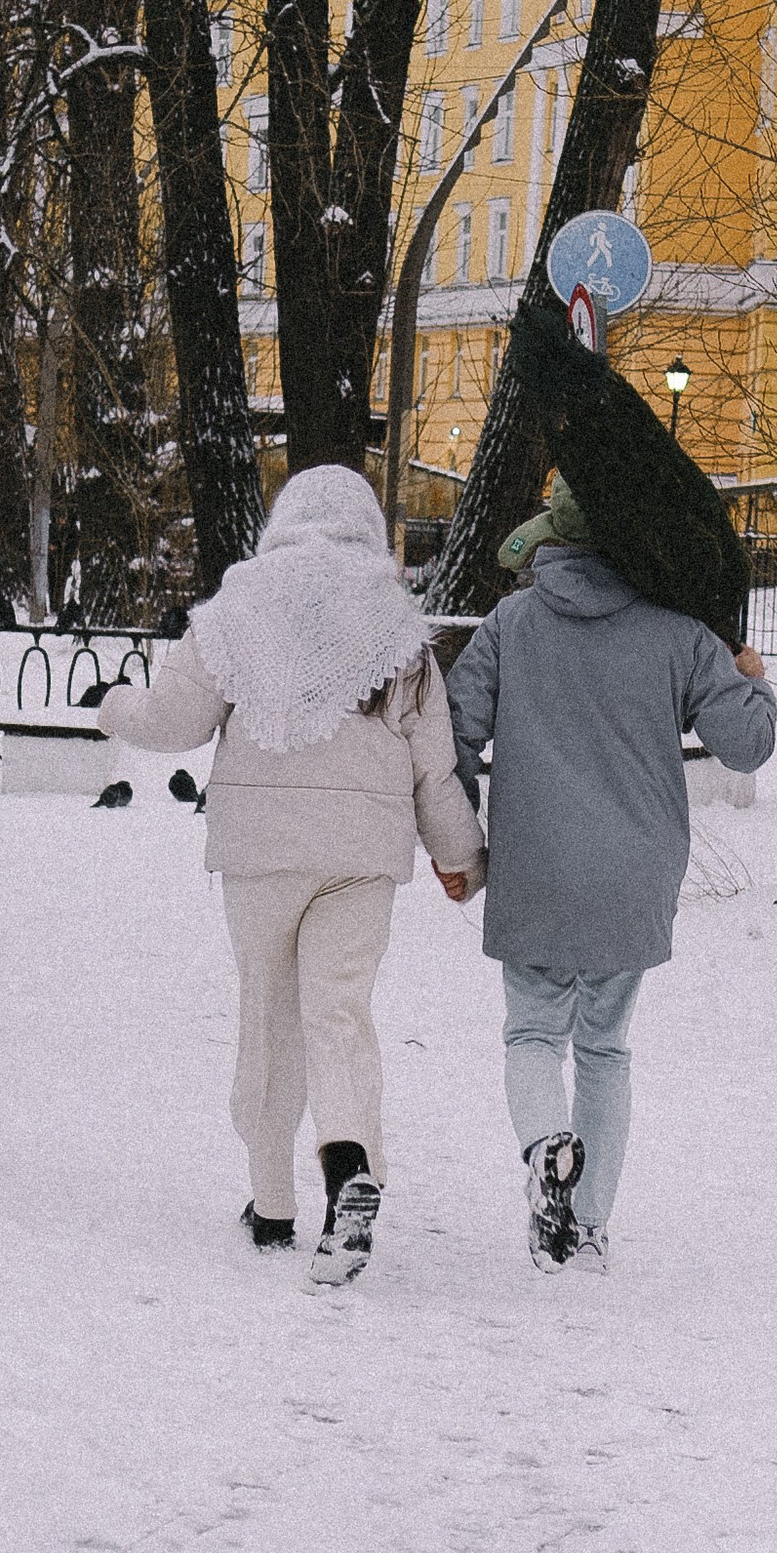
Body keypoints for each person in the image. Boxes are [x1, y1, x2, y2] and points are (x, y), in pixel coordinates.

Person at [104, 466, 482, 1285]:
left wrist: (114, 704)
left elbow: (171, 722)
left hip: (260, 853)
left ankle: (272, 1203)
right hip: (361, 857)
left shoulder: (235, 609)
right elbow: (434, 769)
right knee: (338, 1014)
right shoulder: (397, 626)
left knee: (269, 1014)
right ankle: (349, 1170)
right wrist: (461, 857)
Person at [445, 476, 776, 1271]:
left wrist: (459, 840)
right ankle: (588, 1228)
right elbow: (747, 747)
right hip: (634, 874)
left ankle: (544, 1149)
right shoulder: (679, 632)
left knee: (533, 1032)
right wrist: (753, 680)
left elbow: (452, 729)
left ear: (552, 538)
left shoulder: (512, 623)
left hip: (536, 868)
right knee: (603, 1048)